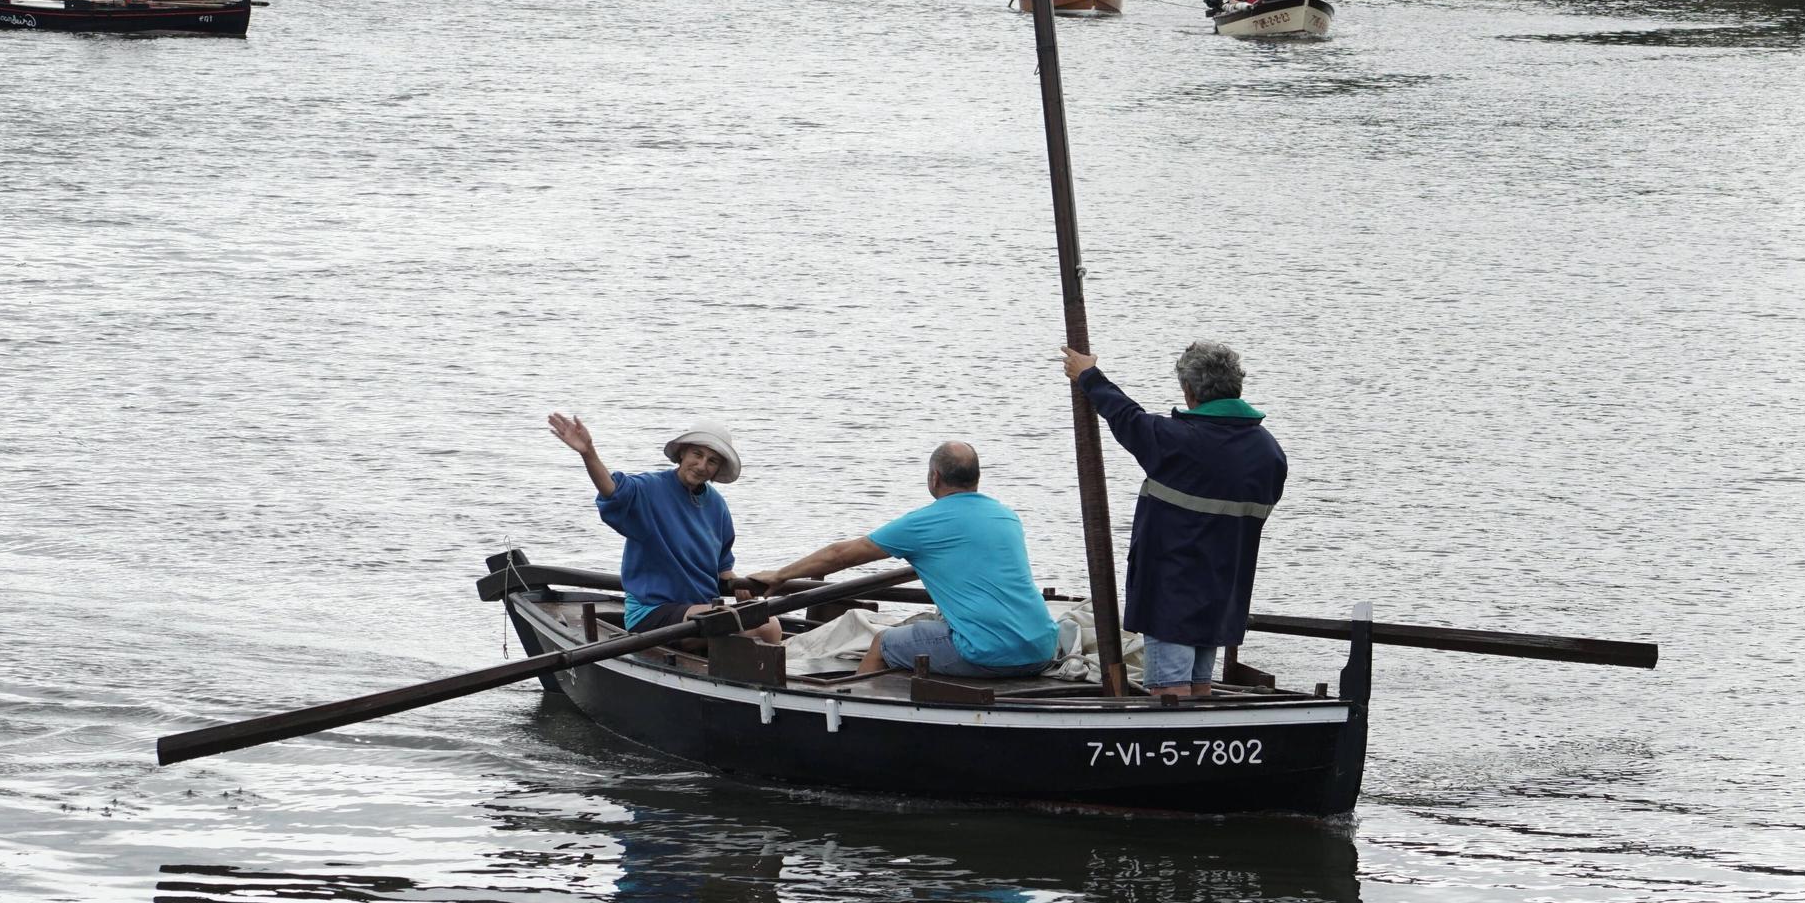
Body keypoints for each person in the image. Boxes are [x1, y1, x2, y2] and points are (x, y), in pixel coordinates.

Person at [1061, 342, 1286, 698]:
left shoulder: (1178, 442)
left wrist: (1089, 376)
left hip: (1172, 591)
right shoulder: (1270, 453)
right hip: (1225, 587)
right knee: (1200, 685)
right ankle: (1206, 745)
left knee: (1170, 688)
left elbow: (1127, 417)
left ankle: (1171, 743)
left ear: (1189, 391)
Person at [746, 442, 1057, 679]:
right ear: (976, 478)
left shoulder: (924, 523)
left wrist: (780, 574)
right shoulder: (1006, 516)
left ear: (934, 478)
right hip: (1042, 647)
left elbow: (840, 555)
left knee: (883, 642)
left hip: (987, 653)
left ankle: (858, 719)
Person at [547, 413, 779, 645]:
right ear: (682, 453)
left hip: (701, 610)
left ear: (718, 469)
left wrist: (740, 586)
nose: (701, 466)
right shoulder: (650, 489)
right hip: (652, 613)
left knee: (769, 624)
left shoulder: (717, 506)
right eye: (697, 454)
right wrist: (588, 453)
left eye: (712, 461)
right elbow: (613, 492)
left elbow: (722, 567)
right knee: (760, 627)